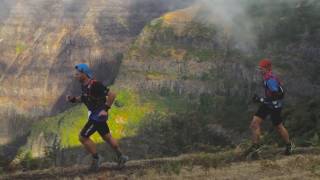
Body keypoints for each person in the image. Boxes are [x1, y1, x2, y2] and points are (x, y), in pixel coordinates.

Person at [66, 63, 128, 171]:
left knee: (83, 137)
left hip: (97, 116)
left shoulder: (95, 84)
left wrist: (105, 109)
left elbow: (112, 95)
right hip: (96, 115)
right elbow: (85, 97)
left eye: (78, 74)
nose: (75, 76)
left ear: (84, 73)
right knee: (107, 137)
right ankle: (121, 157)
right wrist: (73, 100)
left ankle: (96, 159)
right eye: (75, 74)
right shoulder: (84, 85)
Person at [248, 59, 294, 156]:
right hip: (268, 104)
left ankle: (289, 145)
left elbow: (275, 95)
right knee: (254, 123)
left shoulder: (270, 80)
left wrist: (260, 100)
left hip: (275, 106)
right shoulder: (267, 77)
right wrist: (262, 100)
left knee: (279, 127)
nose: (260, 70)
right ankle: (256, 148)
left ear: (267, 68)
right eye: (259, 68)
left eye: (262, 68)